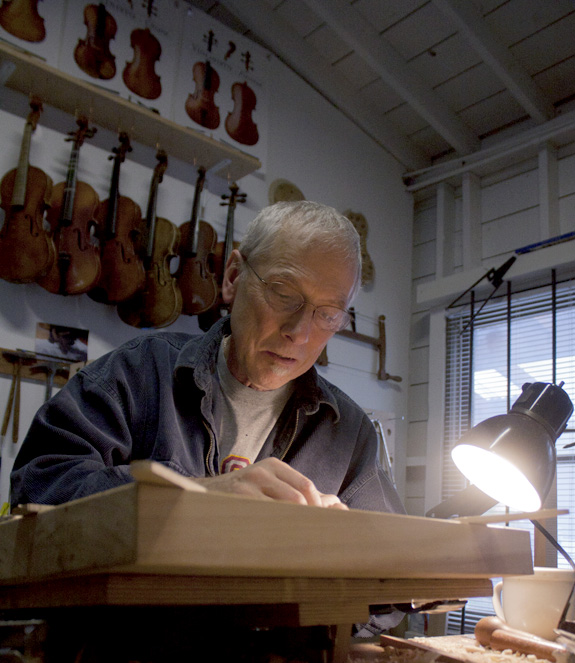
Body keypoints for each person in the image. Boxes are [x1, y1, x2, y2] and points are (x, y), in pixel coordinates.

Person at [10, 201, 404, 517]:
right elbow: (40, 486)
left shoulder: (349, 432)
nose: (299, 332)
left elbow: (392, 583)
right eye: (284, 294)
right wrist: (199, 497)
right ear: (233, 277)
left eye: (327, 314)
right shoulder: (139, 373)